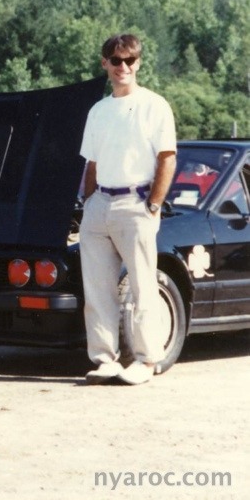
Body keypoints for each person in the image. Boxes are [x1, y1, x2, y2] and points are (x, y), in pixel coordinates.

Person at [79, 34, 177, 385]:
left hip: (136, 203)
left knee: (141, 287)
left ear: (138, 63)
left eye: (130, 60)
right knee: (97, 287)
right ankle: (104, 359)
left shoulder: (154, 105)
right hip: (100, 205)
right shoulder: (98, 110)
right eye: (116, 60)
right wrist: (88, 202)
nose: (123, 67)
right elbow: (91, 163)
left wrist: (153, 204)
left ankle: (147, 359)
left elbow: (167, 157)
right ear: (104, 63)